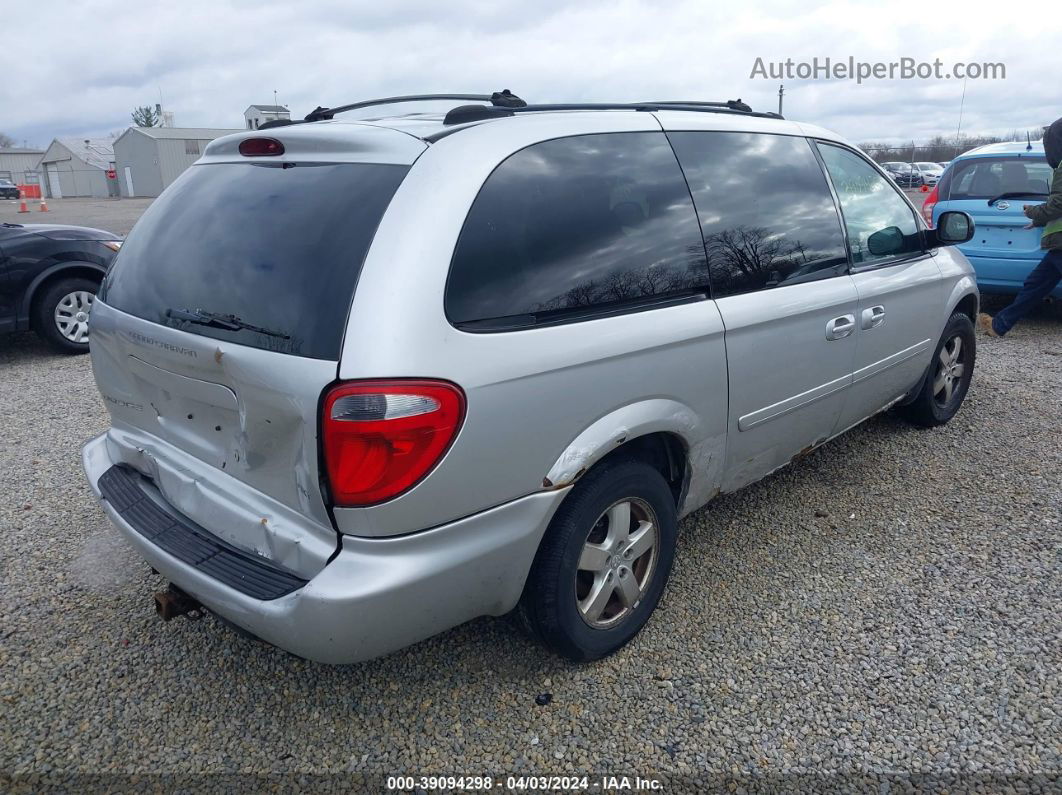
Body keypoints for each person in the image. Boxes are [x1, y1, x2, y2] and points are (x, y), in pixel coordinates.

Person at [978, 117, 1062, 337]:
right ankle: (999, 326)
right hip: (1058, 245)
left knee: (1035, 286)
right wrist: (1038, 220)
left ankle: (1000, 325)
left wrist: (1032, 212)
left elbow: (1058, 204)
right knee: (1035, 285)